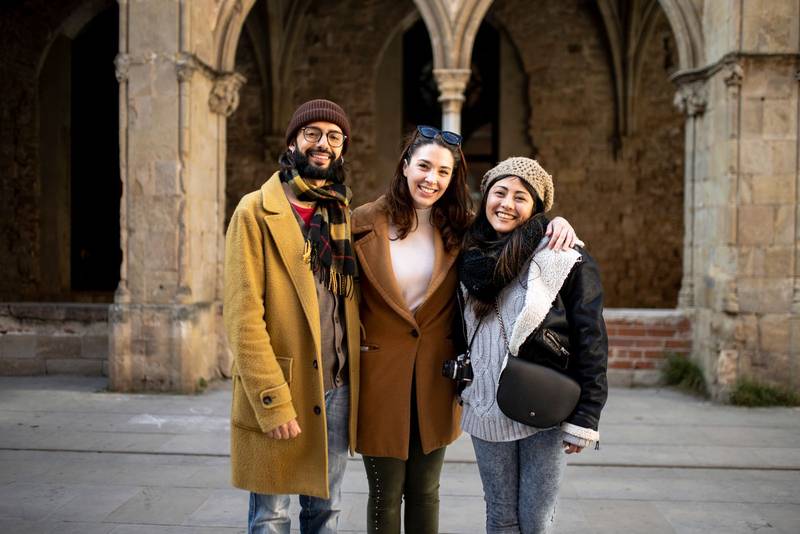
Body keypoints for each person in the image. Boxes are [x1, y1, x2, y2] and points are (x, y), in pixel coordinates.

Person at [352, 129, 577, 534]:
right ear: (405, 167)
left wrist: (555, 221)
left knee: (425, 490)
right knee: (386, 492)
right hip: (379, 375)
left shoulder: (461, 230)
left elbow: (515, 227)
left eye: (443, 170)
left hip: (436, 377)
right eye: (423, 166)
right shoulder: (361, 224)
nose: (431, 178)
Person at [224, 99, 360, 534]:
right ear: (292, 142)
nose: (323, 143)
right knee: (271, 516)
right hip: (283, 385)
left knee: (326, 511)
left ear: (341, 150)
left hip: (335, 387)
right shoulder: (253, 211)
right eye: (312, 133)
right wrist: (272, 399)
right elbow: (243, 317)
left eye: (333, 137)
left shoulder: (340, 212)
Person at [456, 157, 608, 534]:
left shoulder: (563, 258)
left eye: (520, 196)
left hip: (543, 405)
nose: (507, 203)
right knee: (501, 517)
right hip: (485, 407)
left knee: (536, 521)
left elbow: (592, 339)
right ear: (486, 195)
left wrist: (586, 416)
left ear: (537, 208)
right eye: (500, 192)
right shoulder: (467, 253)